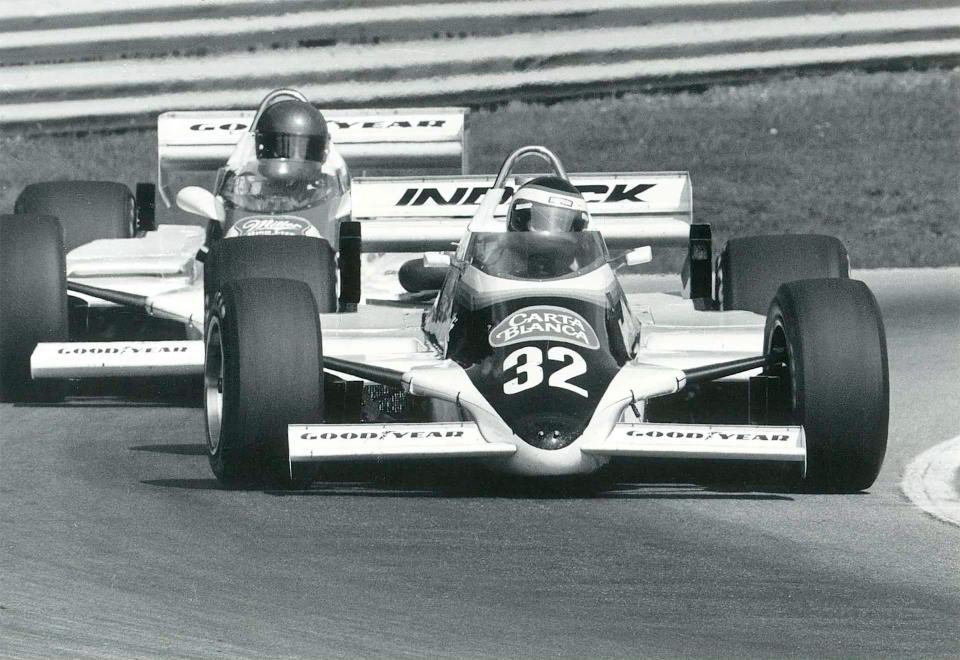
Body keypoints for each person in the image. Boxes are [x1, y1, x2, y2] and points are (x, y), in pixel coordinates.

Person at [219, 98, 336, 214]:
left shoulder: (326, 191)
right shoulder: (245, 186)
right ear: (264, 147)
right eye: (283, 147)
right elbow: (228, 203)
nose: (294, 157)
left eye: (303, 148)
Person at [481, 176, 593, 279]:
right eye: (542, 220)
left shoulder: (585, 272)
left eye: (562, 223)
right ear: (521, 220)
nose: (553, 231)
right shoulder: (494, 265)